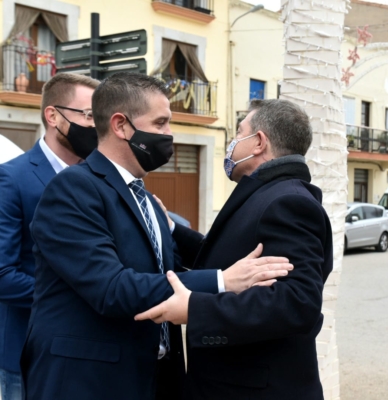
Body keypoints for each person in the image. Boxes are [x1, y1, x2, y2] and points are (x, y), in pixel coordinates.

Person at [21, 73, 292, 400]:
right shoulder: (72, 189)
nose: (169, 134)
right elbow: (111, 288)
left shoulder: (147, 200)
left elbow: (168, 271)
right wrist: (222, 281)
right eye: (161, 123)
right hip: (88, 381)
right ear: (121, 126)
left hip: (152, 378)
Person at [136, 99, 333, 399]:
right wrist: (172, 229)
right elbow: (228, 257)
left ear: (258, 142)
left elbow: (297, 302)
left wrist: (195, 309)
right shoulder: (268, 193)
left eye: (238, 132)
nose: (231, 143)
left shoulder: (287, 201)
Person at [0, 72, 100, 400]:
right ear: (53, 115)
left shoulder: (101, 177)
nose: (95, 126)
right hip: (28, 351)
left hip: (94, 353)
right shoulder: (12, 179)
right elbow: (3, 275)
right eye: (88, 115)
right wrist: (83, 296)